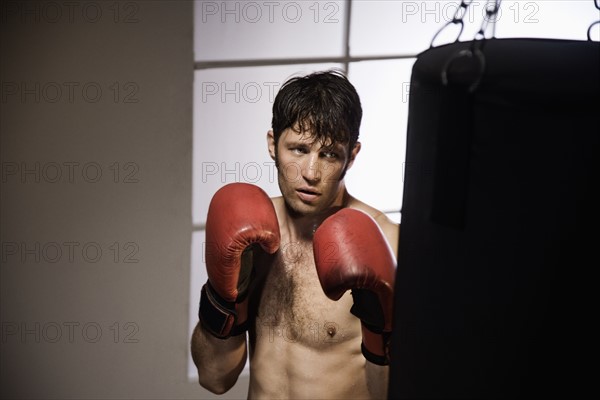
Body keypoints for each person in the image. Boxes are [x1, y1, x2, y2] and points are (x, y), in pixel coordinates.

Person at [191, 70, 399, 399]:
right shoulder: (250, 236)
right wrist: (223, 298)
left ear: (352, 156)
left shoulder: (389, 243)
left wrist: (380, 330)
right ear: (273, 145)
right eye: (299, 150)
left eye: (329, 154)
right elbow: (214, 378)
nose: (311, 173)